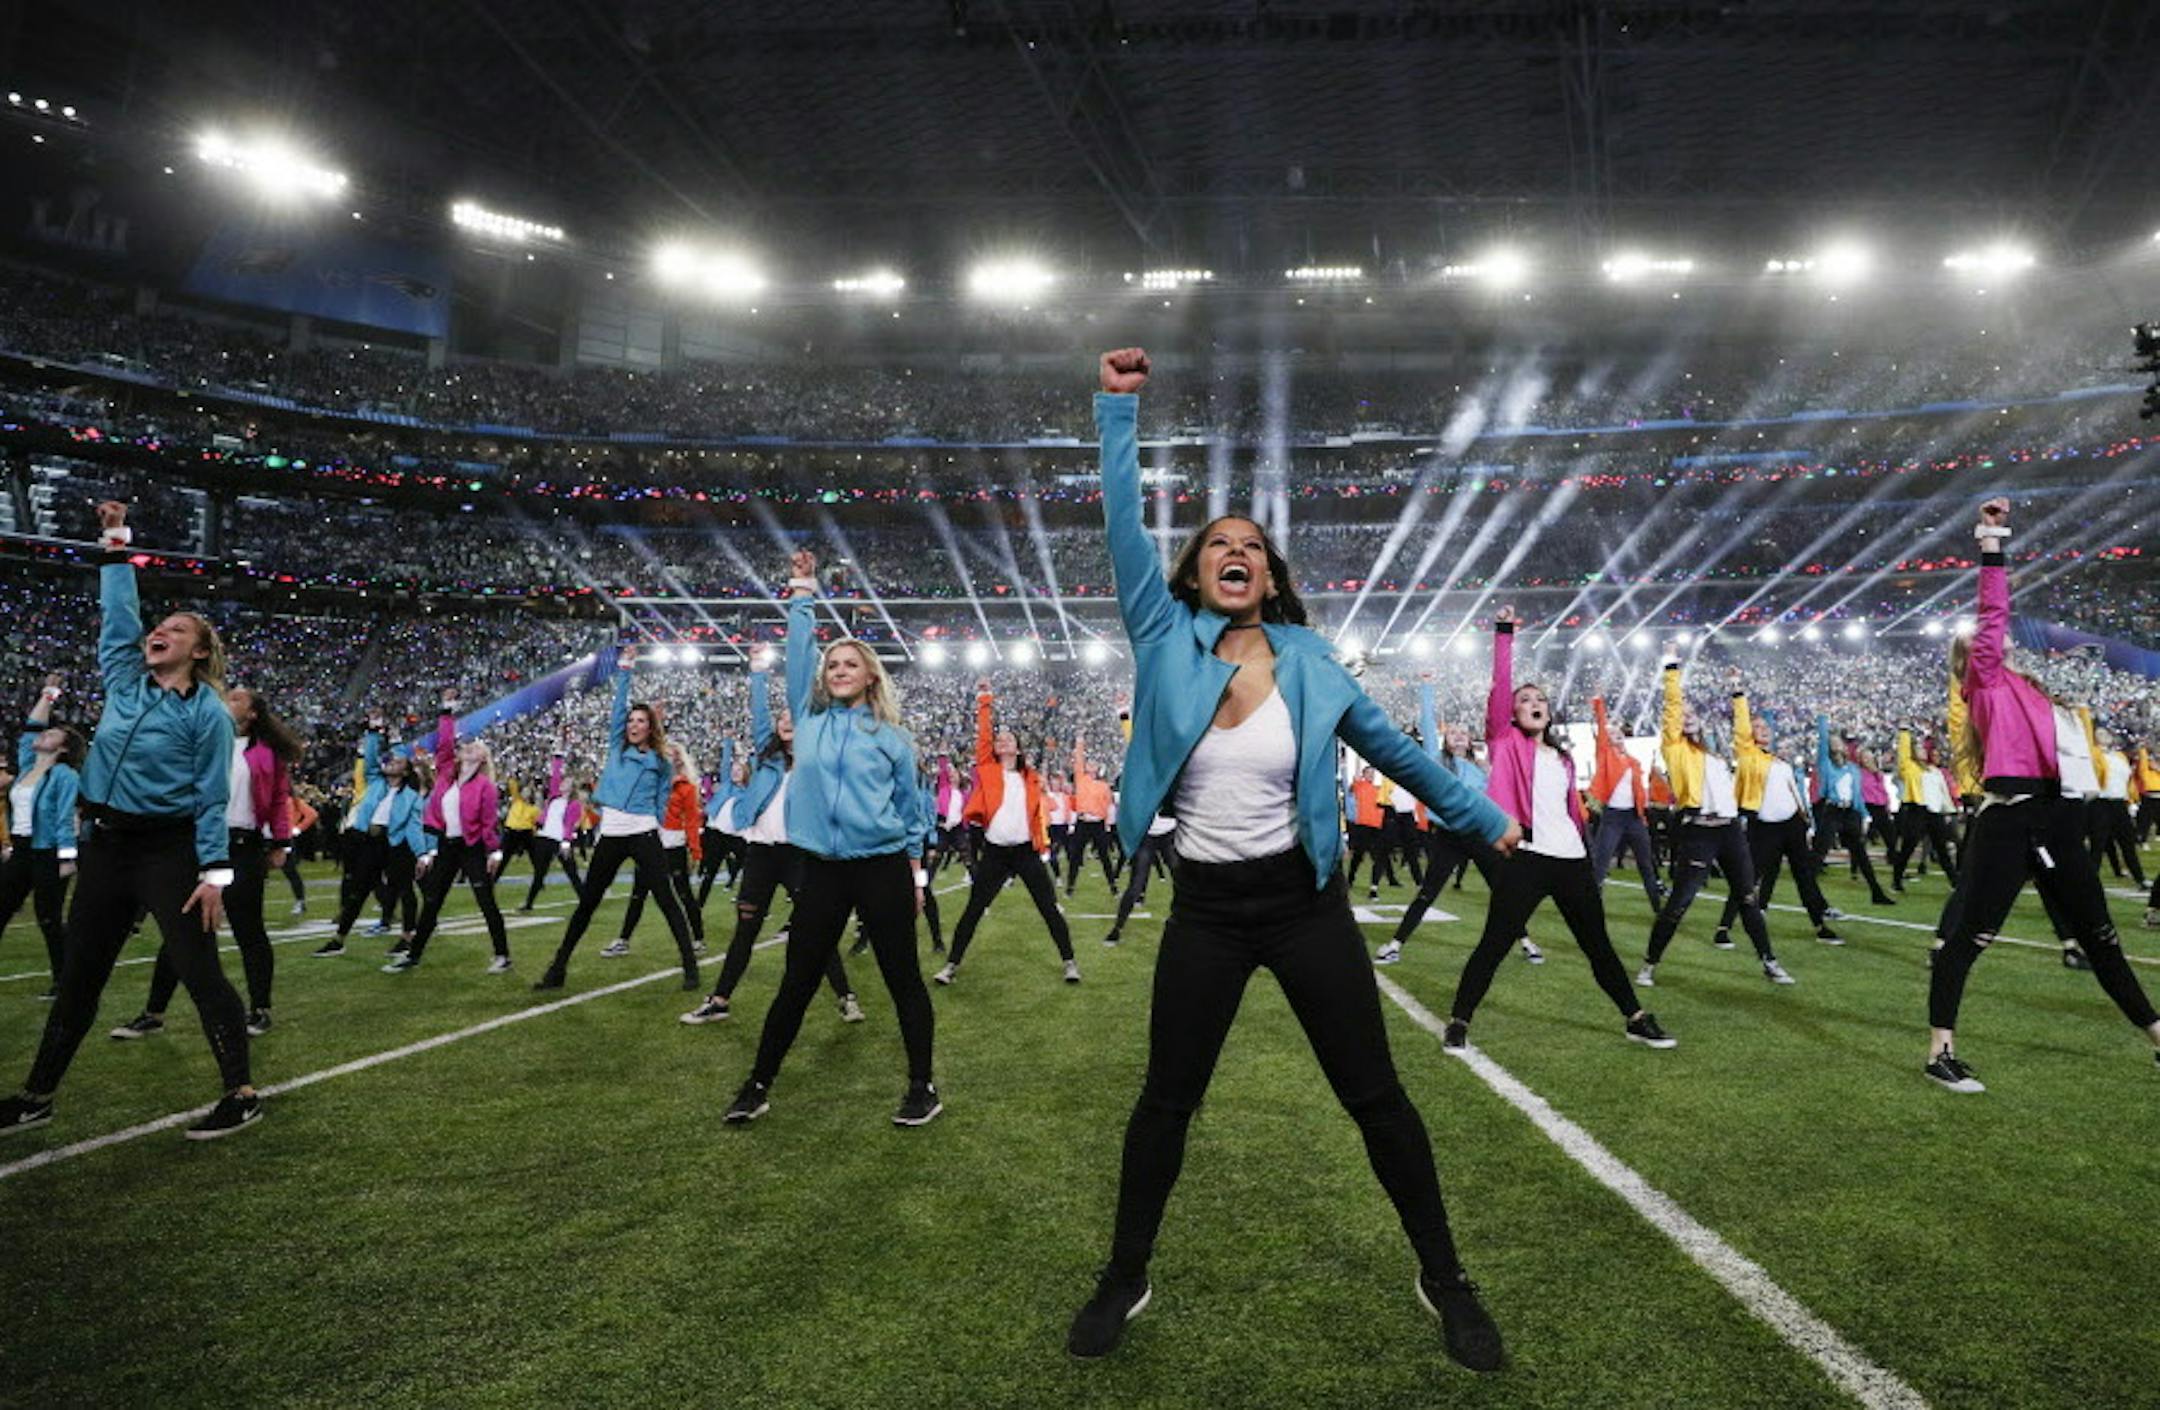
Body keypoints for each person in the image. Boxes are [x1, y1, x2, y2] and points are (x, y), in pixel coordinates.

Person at [1066, 350, 1518, 1371]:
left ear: (1269, 576)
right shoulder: (1160, 632)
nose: (1237, 553)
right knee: (1165, 1101)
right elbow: (1120, 524)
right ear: (1193, 574)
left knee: (1378, 1098)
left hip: (1306, 907)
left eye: (1253, 547)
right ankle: (1124, 1273)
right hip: (1208, 914)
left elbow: (1393, 750)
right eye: (1219, 545)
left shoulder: (1311, 662)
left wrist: (1480, 815)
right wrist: (1117, 410)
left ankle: (1445, 1276)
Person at [0, 501, 260, 1140]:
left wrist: (215, 874)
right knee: (81, 976)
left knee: (198, 971)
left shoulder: (206, 715)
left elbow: (208, 799)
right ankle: (37, 1096)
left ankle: (242, 1092)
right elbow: (117, 614)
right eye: (158, 624)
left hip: (167, 851)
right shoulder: (125, 680)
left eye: (175, 627)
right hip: (106, 846)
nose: (158, 630)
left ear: (199, 651)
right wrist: (116, 542)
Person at [1923, 497, 2160, 1092]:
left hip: (2056, 817)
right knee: (1968, 940)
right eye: (1981, 642)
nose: (1994, 642)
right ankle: (1940, 1051)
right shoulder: (1983, 683)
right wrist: (1992, 543)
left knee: (2101, 935)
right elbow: (1993, 610)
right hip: (2010, 819)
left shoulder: (2033, 691)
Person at [720, 549, 935, 1125]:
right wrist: (802, 591)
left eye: (849, 664)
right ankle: (758, 1084)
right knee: (796, 982)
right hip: (820, 868)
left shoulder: (893, 738)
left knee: (902, 979)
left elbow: (913, 817)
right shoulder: (807, 722)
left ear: (870, 675)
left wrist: (915, 878)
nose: (838, 670)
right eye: (832, 664)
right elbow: (797, 656)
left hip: (882, 866)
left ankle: (922, 1086)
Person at [1439, 610, 1673, 1052]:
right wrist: (1505, 635)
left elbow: (1570, 812)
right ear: (1512, 711)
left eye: (1540, 698)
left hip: (1571, 861)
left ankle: (1635, 1017)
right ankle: (1459, 1019)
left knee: (1597, 945)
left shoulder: (1563, 759)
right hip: (1525, 856)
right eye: (1525, 698)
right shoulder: (1505, 741)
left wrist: (1585, 846)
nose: (1533, 702)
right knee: (1495, 942)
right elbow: (1500, 688)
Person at [683, 650, 861, 1026]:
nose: (785, 721)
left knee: (816, 929)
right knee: (745, 929)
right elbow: (760, 717)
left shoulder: (815, 762)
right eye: (781, 718)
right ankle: (719, 1000)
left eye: (792, 717)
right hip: (761, 855)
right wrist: (759, 674)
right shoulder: (768, 761)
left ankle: (846, 996)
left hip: (801, 855)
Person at [114, 684, 302, 1039]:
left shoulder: (268, 753)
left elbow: (279, 800)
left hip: (243, 846)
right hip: (197, 843)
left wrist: (281, 842)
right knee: (182, 929)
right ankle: (154, 1013)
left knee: (249, 930)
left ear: (252, 714)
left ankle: (260, 1008)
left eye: (236, 698)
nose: (226, 701)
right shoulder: (201, 739)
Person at [533, 647, 702, 992]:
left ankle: (690, 966)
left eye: (642, 721)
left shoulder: (660, 761)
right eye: (632, 721)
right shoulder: (617, 747)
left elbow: (660, 799)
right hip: (610, 832)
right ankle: (558, 968)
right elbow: (616, 709)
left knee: (667, 899)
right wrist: (625, 670)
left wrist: (653, 823)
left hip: (643, 833)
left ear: (650, 727)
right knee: (588, 903)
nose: (634, 725)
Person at [1636, 651, 1791, 987]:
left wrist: (1737, 691)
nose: (1687, 716)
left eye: (1693, 714)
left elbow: (1743, 732)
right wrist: (1672, 669)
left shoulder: (1718, 755)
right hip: (1699, 831)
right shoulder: (1674, 750)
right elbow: (1672, 708)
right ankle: (1649, 963)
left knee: (1748, 897)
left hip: (1731, 831)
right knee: (1680, 902)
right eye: (1684, 714)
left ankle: (1769, 961)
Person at [1376, 675, 1532, 967]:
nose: (1459, 735)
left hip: (1479, 837)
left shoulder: (1482, 769)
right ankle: (1395, 944)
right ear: (1445, 741)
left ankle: (1525, 941)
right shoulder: (1437, 761)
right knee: (1429, 892)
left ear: (1471, 739)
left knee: (1502, 889)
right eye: (1453, 733)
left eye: (1463, 732)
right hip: (1448, 836)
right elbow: (1427, 724)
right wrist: (1426, 688)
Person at [934, 679, 1080, 986]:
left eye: (1008, 739)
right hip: (996, 853)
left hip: (1026, 852)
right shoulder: (986, 770)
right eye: (999, 740)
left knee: (1048, 908)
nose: (1002, 742)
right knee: (974, 908)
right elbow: (984, 737)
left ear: (1018, 746)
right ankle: (950, 965)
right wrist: (985, 700)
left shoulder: (1030, 776)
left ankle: (1069, 962)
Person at [1712, 671, 1840, 948]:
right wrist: (1737, 691)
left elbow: (1794, 795)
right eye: (1757, 728)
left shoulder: (1781, 763)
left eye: (1766, 728)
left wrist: (1805, 821)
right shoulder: (1748, 755)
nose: (1764, 730)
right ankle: (1723, 928)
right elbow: (1741, 723)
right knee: (1747, 879)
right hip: (1765, 826)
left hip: (1792, 825)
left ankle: (1820, 926)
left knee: (1804, 877)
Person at [385, 694, 511, 974]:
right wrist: (446, 712)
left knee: (486, 901)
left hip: (473, 848)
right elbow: (444, 744)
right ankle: (413, 955)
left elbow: (489, 822)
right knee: (432, 902)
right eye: (467, 746)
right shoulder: (445, 775)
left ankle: (502, 955)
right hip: (447, 846)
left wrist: (494, 850)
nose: (469, 748)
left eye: (476, 748)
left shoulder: (485, 787)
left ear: (482, 759)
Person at [311, 715, 426, 958]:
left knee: (404, 890)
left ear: (406, 771)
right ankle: (339, 939)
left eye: (396, 762)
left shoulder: (411, 796)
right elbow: (372, 759)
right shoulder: (376, 782)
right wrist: (373, 732)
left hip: (395, 844)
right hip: (369, 842)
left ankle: (407, 938)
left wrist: (422, 854)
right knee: (358, 890)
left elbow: (414, 827)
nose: (390, 762)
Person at [0, 674, 82, 997]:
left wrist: (67, 857)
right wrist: (49, 693)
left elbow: (64, 818)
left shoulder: (64, 775)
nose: (43, 734)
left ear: (61, 748)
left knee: (48, 919)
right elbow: (32, 726)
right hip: (21, 852)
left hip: (48, 854)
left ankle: (64, 981)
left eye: (52, 734)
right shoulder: (27, 765)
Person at [604, 740, 708, 959]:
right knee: (638, 893)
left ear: (679, 759)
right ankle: (623, 940)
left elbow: (691, 820)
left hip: (673, 844)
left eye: (673, 754)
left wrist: (695, 851)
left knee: (683, 893)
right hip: (650, 841)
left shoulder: (686, 788)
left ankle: (698, 938)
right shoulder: (650, 780)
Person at [1586, 694, 1665, 912]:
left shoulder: (1634, 762)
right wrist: (1599, 703)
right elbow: (1602, 729)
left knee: (1646, 865)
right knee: (1600, 865)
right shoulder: (1605, 755)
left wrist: (1642, 815)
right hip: (1613, 817)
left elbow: (1640, 793)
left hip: (1633, 818)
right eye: (1612, 734)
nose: (1616, 736)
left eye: (1619, 734)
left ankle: (1658, 908)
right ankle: (1590, 906)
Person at [520, 755, 583, 910]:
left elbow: (569, 825)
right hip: (544, 838)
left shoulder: (574, 804)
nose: (562, 783)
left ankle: (586, 901)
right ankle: (529, 904)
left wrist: (566, 842)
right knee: (539, 873)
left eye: (566, 783)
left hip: (560, 841)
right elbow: (554, 778)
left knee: (572, 873)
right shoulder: (554, 799)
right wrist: (557, 761)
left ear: (572, 787)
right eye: (563, 781)